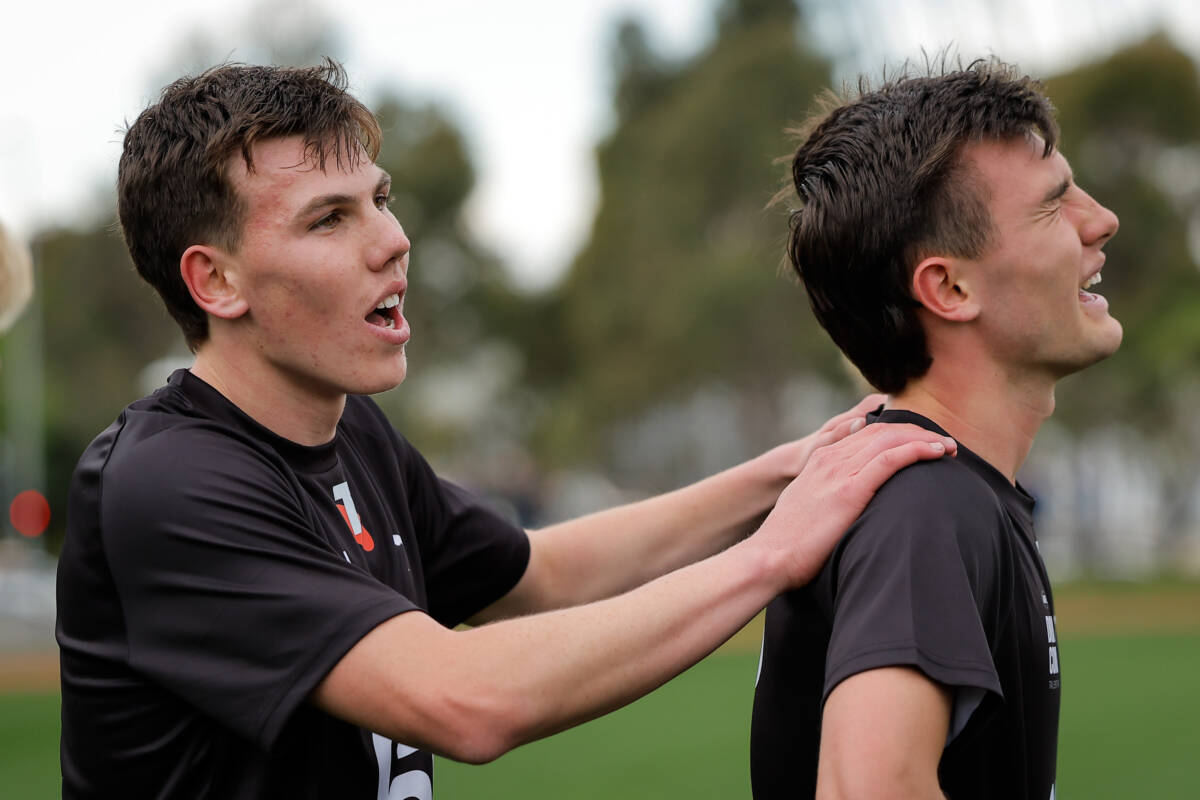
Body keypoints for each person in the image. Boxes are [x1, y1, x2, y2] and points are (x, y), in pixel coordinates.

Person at [54, 61, 955, 799]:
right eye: (330, 218)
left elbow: (542, 576)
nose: (392, 240)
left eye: (379, 198)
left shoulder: (355, 434)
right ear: (215, 282)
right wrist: (773, 556)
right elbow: (467, 699)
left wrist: (789, 472)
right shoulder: (166, 482)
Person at [750, 59, 1121, 800]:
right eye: (1054, 206)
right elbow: (868, 788)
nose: (1101, 219)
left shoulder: (950, 493)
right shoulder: (925, 507)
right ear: (949, 288)